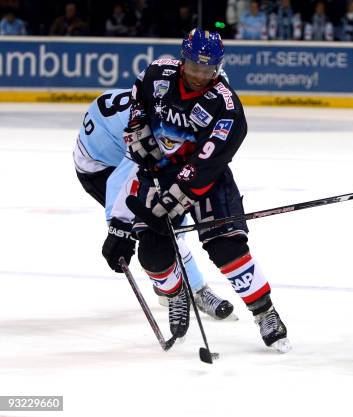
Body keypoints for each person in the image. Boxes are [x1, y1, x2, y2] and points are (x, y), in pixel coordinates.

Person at [123, 29, 290, 352]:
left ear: (218, 66)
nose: (200, 75)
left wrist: (177, 195)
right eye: (194, 67)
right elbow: (138, 99)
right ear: (183, 59)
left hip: (206, 178)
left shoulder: (225, 106)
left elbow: (208, 160)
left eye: (207, 69)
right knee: (153, 253)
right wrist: (137, 130)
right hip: (158, 170)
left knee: (228, 249)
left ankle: (264, 311)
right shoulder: (159, 72)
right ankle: (176, 295)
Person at [73, 88, 236, 322]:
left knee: (168, 220)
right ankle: (194, 290)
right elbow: (120, 185)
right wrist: (119, 229)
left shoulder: (168, 104)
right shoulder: (153, 127)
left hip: (111, 147)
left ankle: (170, 281)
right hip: (99, 168)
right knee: (157, 227)